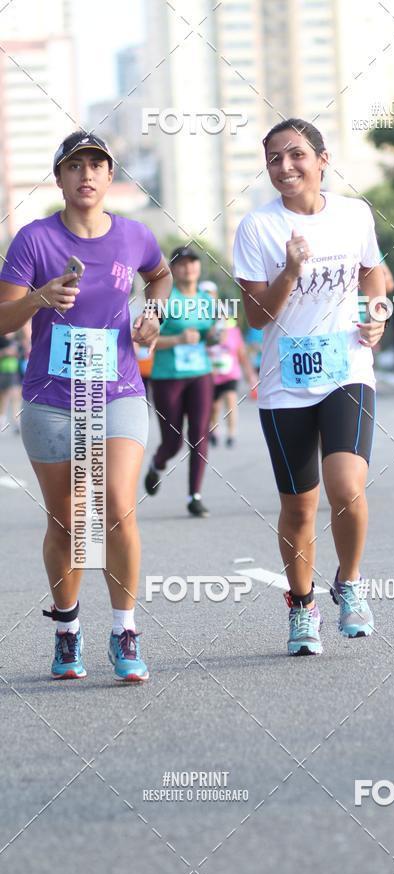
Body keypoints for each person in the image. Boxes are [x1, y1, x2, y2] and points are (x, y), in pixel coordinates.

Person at [0, 130, 172, 681]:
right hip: (51, 399)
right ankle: (67, 628)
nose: (88, 175)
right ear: (60, 178)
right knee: (70, 519)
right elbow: (3, 318)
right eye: (76, 166)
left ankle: (125, 630)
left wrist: (153, 314)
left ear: (109, 177)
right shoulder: (33, 240)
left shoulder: (134, 236)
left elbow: (160, 274)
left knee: (117, 504)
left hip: (117, 390)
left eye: (98, 165)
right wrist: (39, 298)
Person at [233, 117, 386, 656]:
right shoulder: (257, 228)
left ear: (323, 160)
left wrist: (378, 311)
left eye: (296, 155)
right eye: (274, 158)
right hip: (284, 385)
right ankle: (302, 607)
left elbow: (373, 272)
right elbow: (254, 315)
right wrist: (291, 271)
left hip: (347, 369)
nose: (285, 166)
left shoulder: (354, 214)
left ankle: (349, 581)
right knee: (299, 508)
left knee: (346, 488)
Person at [144, 246, 214, 517]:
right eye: (182, 264)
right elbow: (145, 339)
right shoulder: (161, 299)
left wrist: (213, 338)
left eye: (193, 263)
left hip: (200, 374)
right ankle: (157, 464)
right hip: (167, 376)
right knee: (172, 441)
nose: (189, 268)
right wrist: (177, 340)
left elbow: (209, 334)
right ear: (173, 269)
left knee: (199, 435)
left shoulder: (207, 300)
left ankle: (194, 496)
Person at [208, 313, 258, 447]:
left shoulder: (234, 332)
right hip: (213, 374)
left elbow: (241, 354)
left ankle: (231, 434)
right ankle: (214, 430)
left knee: (231, 401)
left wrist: (250, 375)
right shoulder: (209, 330)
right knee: (215, 405)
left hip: (231, 374)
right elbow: (204, 349)